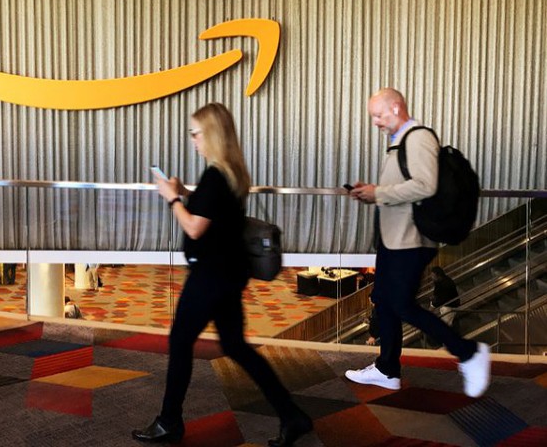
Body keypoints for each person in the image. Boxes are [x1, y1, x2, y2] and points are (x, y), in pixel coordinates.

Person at [133, 103, 312, 446]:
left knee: (181, 341)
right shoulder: (231, 172)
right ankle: (292, 415)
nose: (193, 140)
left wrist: (172, 199)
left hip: (210, 277)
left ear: (211, 135)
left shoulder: (215, 175)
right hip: (229, 274)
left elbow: (195, 227)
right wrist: (187, 192)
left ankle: (169, 422)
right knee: (236, 346)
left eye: (196, 133)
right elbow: (212, 208)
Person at [345, 88, 489, 397]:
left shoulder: (419, 137)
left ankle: (468, 352)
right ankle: (387, 370)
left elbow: (425, 185)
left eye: (379, 115)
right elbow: (405, 188)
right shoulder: (399, 142)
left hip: (411, 240)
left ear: (396, 109)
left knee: (400, 304)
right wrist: (371, 192)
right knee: (383, 300)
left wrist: (379, 193)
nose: (375, 122)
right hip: (393, 240)